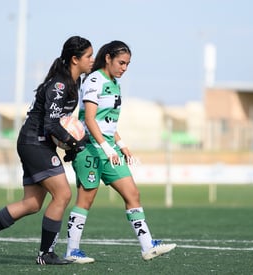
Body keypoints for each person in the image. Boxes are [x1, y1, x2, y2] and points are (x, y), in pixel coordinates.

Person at [0, 36, 94, 265]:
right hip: (35, 143)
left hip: (38, 143)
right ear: (75, 59)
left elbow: (58, 123)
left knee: (31, 204)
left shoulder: (74, 83)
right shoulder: (60, 85)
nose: (92, 60)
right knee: (62, 194)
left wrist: (69, 144)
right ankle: (45, 254)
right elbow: (51, 125)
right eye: (89, 56)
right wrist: (74, 143)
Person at [64, 40, 176, 264]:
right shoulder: (95, 80)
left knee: (132, 193)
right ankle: (72, 251)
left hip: (109, 148)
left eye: (128, 64)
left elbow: (108, 123)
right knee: (86, 200)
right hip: (90, 149)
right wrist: (106, 148)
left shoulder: (115, 83)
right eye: (121, 62)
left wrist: (122, 145)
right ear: (108, 58)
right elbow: (89, 119)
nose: (124, 68)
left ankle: (147, 246)